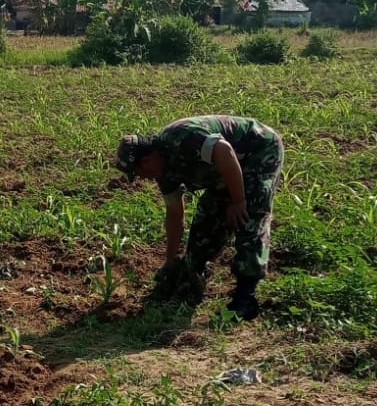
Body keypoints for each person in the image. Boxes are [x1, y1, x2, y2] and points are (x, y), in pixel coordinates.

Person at [113, 115, 283, 320]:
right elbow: (175, 215)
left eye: (138, 172)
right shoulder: (164, 173)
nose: (141, 178)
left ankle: (245, 300)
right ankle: (191, 283)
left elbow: (224, 150)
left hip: (257, 150)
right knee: (206, 223)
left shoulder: (181, 137)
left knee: (248, 217)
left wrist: (238, 200)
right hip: (224, 169)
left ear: (147, 159)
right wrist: (170, 261)